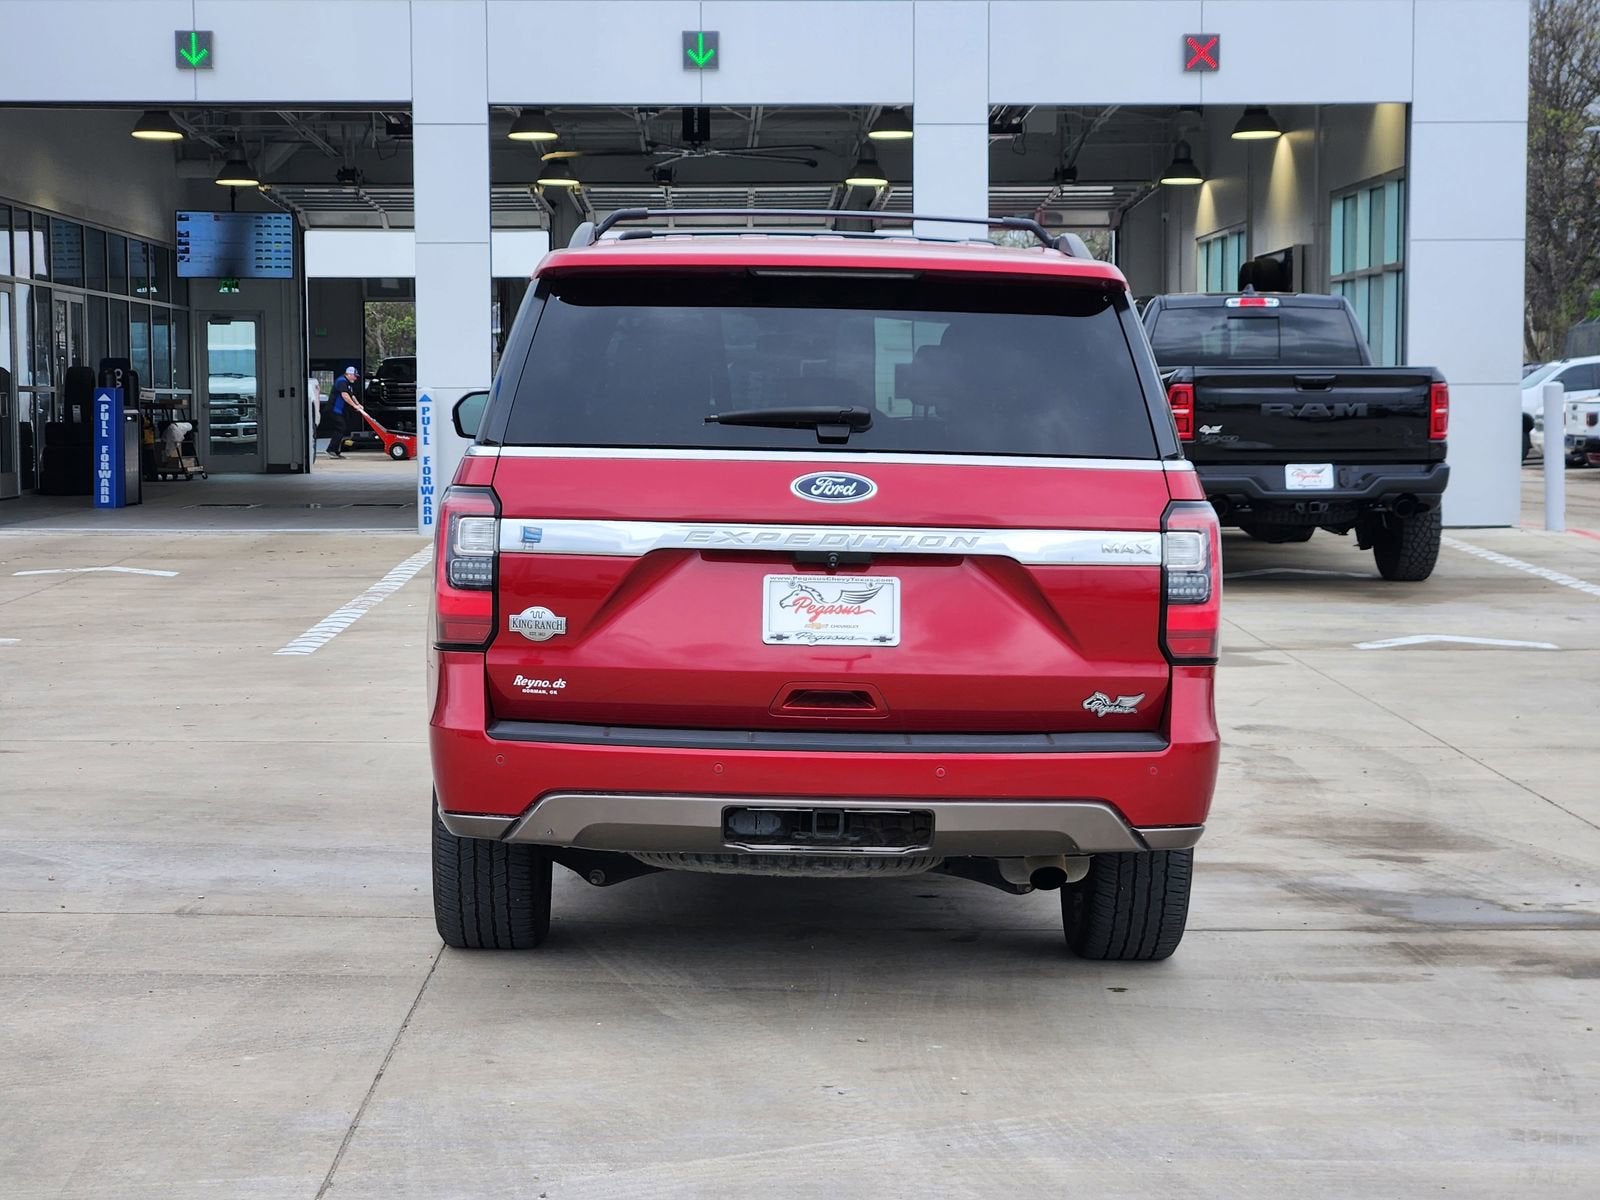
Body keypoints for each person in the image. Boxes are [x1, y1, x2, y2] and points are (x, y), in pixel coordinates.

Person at [319, 366, 365, 458]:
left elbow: (351, 395)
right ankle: (331, 450)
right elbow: (345, 395)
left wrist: (358, 404)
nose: (356, 378)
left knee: (342, 428)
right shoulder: (341, 381)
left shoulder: (348, 383)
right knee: (341, 428)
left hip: (340, 411)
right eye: (355, 376)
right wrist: (354, 406)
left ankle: (336, 451)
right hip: (334, 410)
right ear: (349, 374)